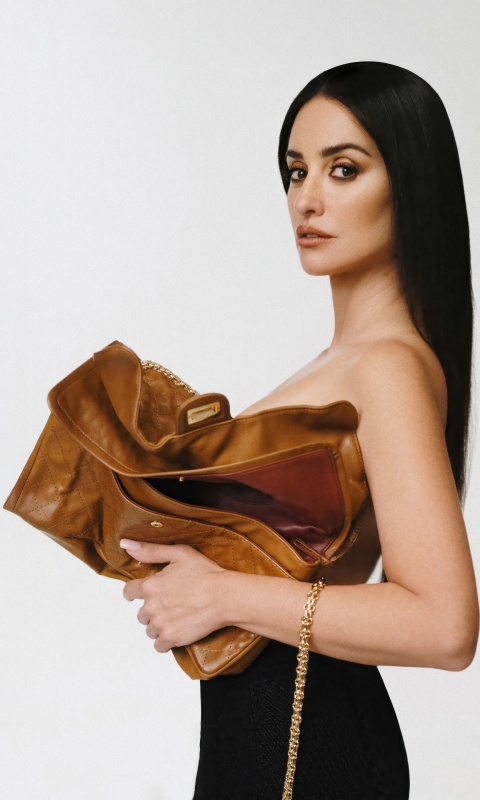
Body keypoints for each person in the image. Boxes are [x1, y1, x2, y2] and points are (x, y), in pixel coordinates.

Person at [119, 62, 479, 799]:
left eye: (344, 169)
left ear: (409, 183)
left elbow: (445, 625)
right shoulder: (346, 364)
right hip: (267, 742)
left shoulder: (385, 367)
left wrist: (223, 597)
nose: (307, 199)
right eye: (295, 171)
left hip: (305, 750)